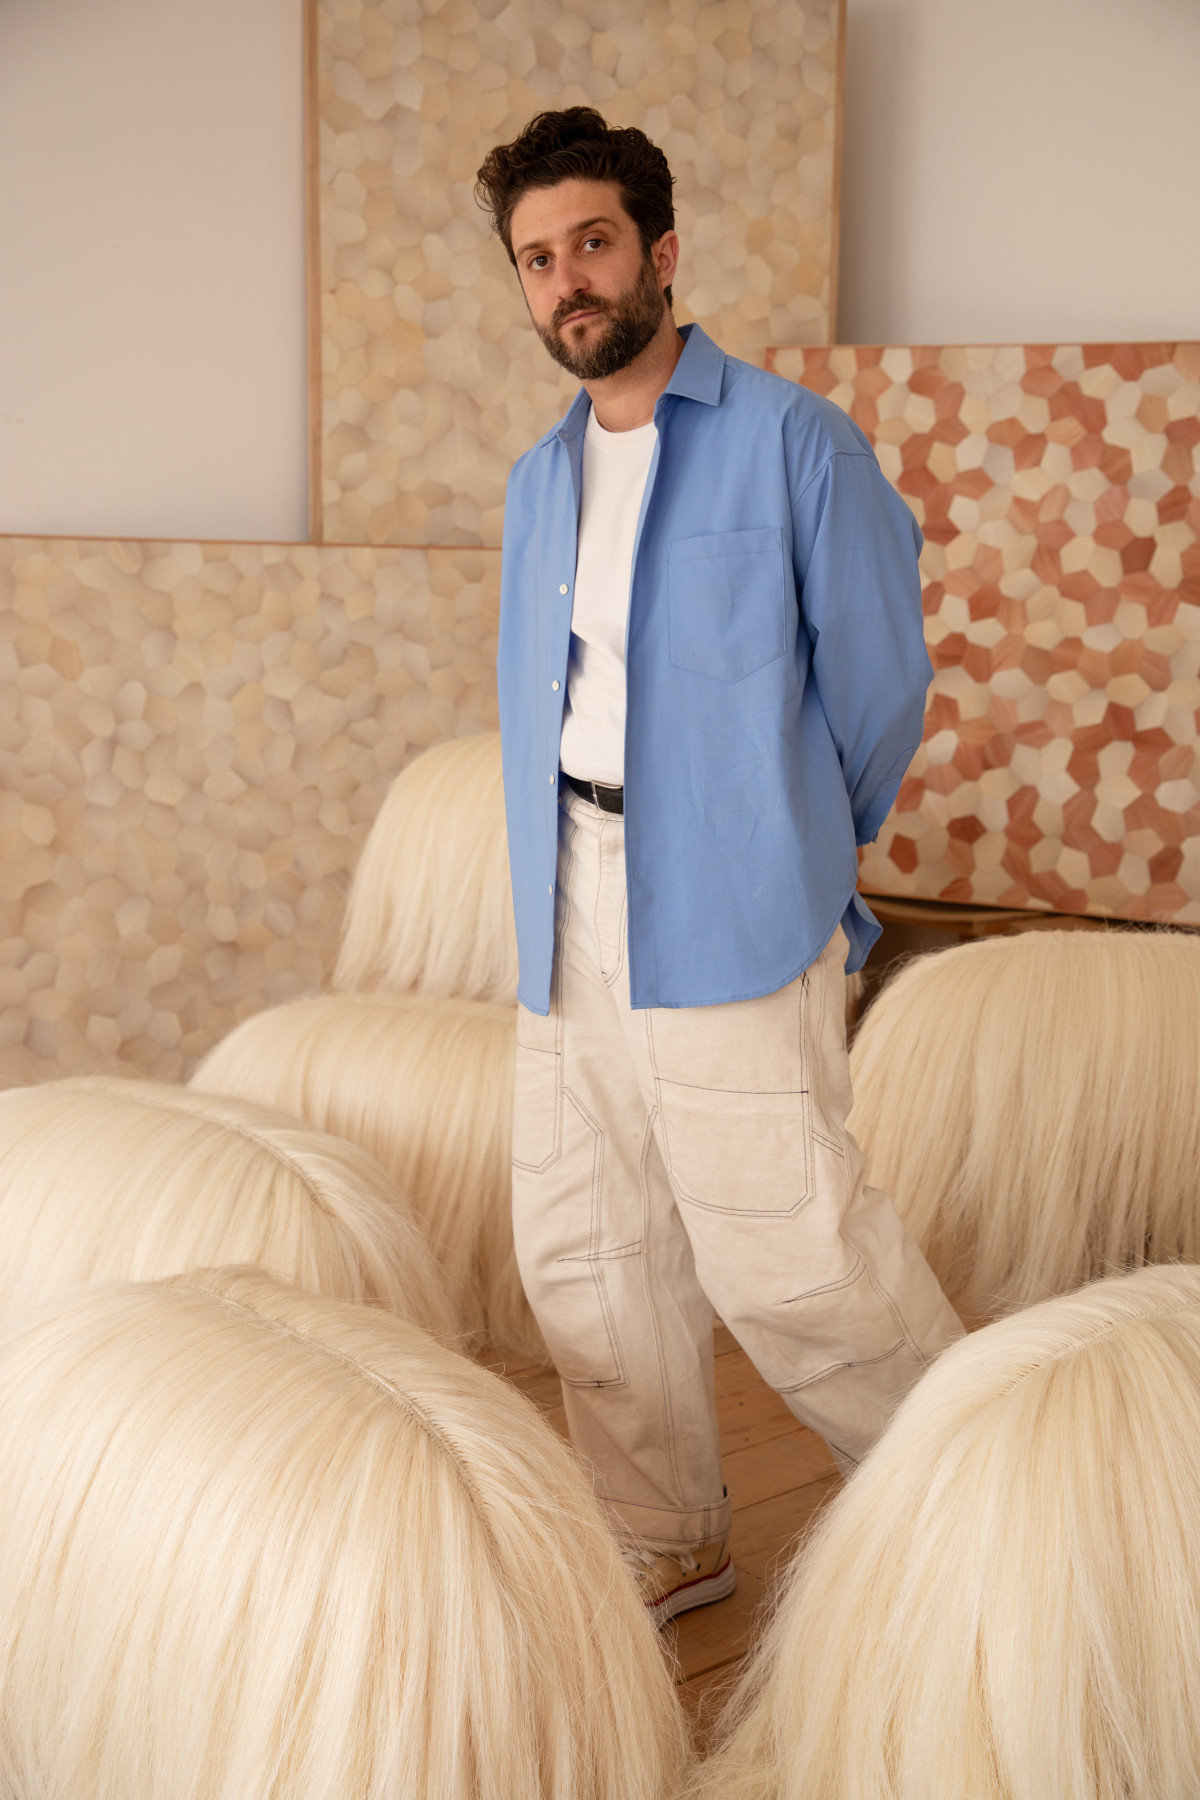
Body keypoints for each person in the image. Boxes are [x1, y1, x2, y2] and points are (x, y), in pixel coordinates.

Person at [475, 107, 963, 1621]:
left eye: (593, 242)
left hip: (735, 899)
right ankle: (668, 1535)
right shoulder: (538, 480)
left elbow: (882, 686)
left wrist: (792, 840)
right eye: (537, 258)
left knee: (791, 1254)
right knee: (585, 1245)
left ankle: (976, 1525)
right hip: (569, 888)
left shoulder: (797, 444)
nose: (568, 279)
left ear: (662, 251)